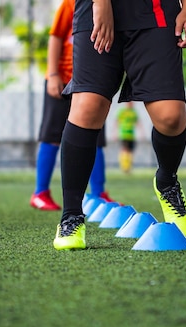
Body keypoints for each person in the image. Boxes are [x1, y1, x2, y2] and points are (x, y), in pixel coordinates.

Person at [53, 0, 186, 250]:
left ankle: (166, 181)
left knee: (171, 117)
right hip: (97, 9)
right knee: (88, 107)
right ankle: (71, 215)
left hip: (155, 11)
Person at [30, 0, 117, 211]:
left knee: (94, 138)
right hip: (62, 80)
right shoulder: (70, 4)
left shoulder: (115, 7)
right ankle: (40, 192)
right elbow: (56, 37)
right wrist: (52, 75)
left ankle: (98, 193)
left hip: (93, 83)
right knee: (51, 136)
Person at [114, 101, 144, 174]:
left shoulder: (134, 112)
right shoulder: (122, 111)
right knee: (124, 150)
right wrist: (115, 133)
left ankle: (128, 167)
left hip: (131, 135)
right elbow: (117, 122)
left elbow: (138, 123)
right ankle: (124, 167)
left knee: (130, 151)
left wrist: (142, 133)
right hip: (124, 134)